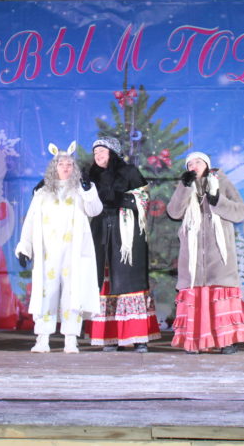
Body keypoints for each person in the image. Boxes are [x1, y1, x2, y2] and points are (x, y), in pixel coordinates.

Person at [15, 142, 101, 353]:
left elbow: (95, 210)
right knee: (46, 292)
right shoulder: (43, 192)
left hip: (74, 251)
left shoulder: (80, 190)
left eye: (69, 164)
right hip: (49, 251)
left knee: (73, 292)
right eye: (61, 164)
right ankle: (42, 338)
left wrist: (89, 192)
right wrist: (24, 247)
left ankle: (71, 339)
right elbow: (31, 220)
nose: (65, 168)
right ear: (54, 167)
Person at [165, 151, 244, 354]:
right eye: (190, 164)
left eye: (198, 161)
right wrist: (185, 187)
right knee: (195, 296)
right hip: (193, 254)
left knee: (220, 296)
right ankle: (194, 340)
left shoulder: (221, 181)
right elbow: (174, 212)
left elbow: (240, 212)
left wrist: (217, 200)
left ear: (206, 164)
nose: (193, 165)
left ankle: (227, 341)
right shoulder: (185, 185)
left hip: (219, 255)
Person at [86, 137, 160, 351]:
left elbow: (144, 198)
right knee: (105, 280)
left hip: (126, 235)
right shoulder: (90, 176)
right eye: (95, 152)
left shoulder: (128, 172)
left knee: (128, 281)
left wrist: (121, 200)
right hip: (101, 232)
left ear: (112, 153)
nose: (98, 156)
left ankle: (138, 337)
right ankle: (110, 337)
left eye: (102, 151)